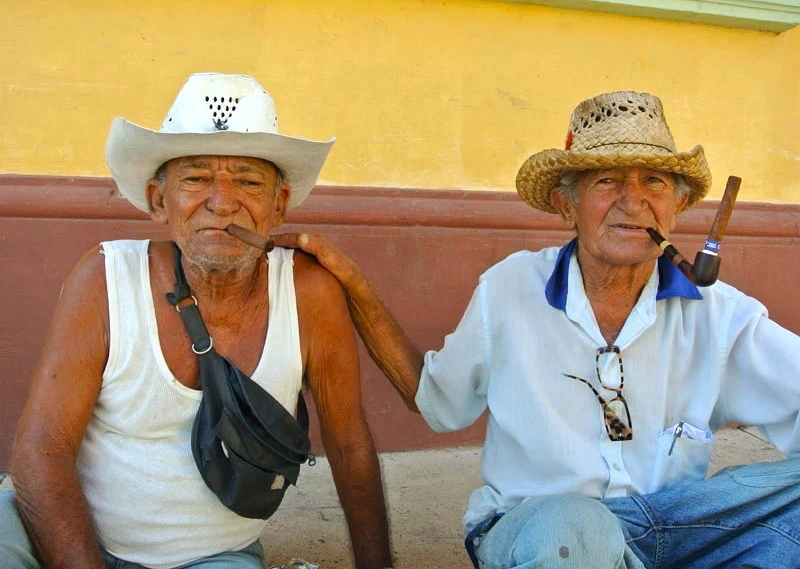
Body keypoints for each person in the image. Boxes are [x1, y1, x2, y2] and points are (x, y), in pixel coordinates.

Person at [275, 91, 800, 568]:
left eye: (654, 181)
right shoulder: (510, 290)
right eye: (607, 181)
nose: (633, 200)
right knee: (576, 530)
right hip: (542, 530)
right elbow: (437, 401)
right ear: (564, 204)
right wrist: (355, 287)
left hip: (675, 529)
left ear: (678, 205)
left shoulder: (720, 314)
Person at [1, 73, 392, 569]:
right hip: (66, 539)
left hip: (211, 558)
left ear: (279, 205)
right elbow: (41, 455)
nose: (223, 201)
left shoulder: (308, 293)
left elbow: (348, 441)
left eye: (249, 180)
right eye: (196, 178)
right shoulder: (105, 277)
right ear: (159, 200)